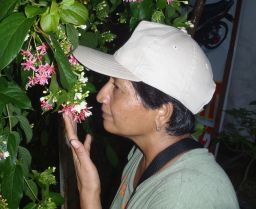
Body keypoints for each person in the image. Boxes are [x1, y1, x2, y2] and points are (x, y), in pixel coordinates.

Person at [63, 21, 239, 209]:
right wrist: (89, 188)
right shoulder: (143, 155)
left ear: (163, 112)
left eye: (116, 87)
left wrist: (88, 193)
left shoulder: (183, 197)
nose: (100, 96)